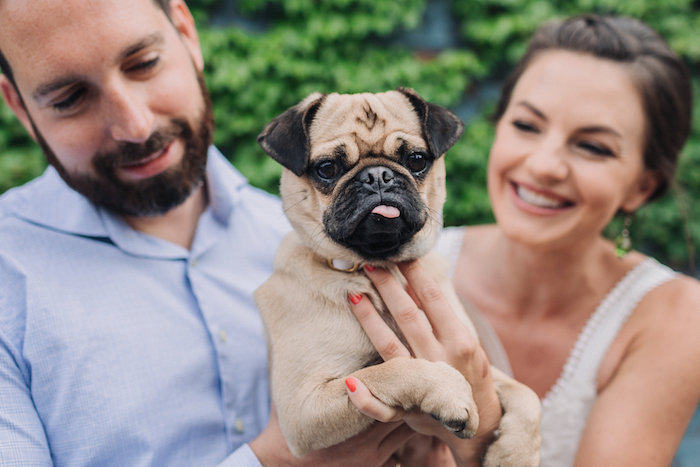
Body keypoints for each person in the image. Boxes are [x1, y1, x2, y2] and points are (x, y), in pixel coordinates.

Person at [0, 0, 499, 465]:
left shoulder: (305, 239)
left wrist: (480, 429)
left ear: (186, 31)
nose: (134, 123)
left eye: (143, 63)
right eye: (70, 97)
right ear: (18, 106)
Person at [347, 13, 700, 467]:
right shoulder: (397, 265)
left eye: (593, 147)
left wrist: (477, 437)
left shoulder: (676, 314)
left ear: (641, 188)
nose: (544, 165)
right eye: (527, 126)